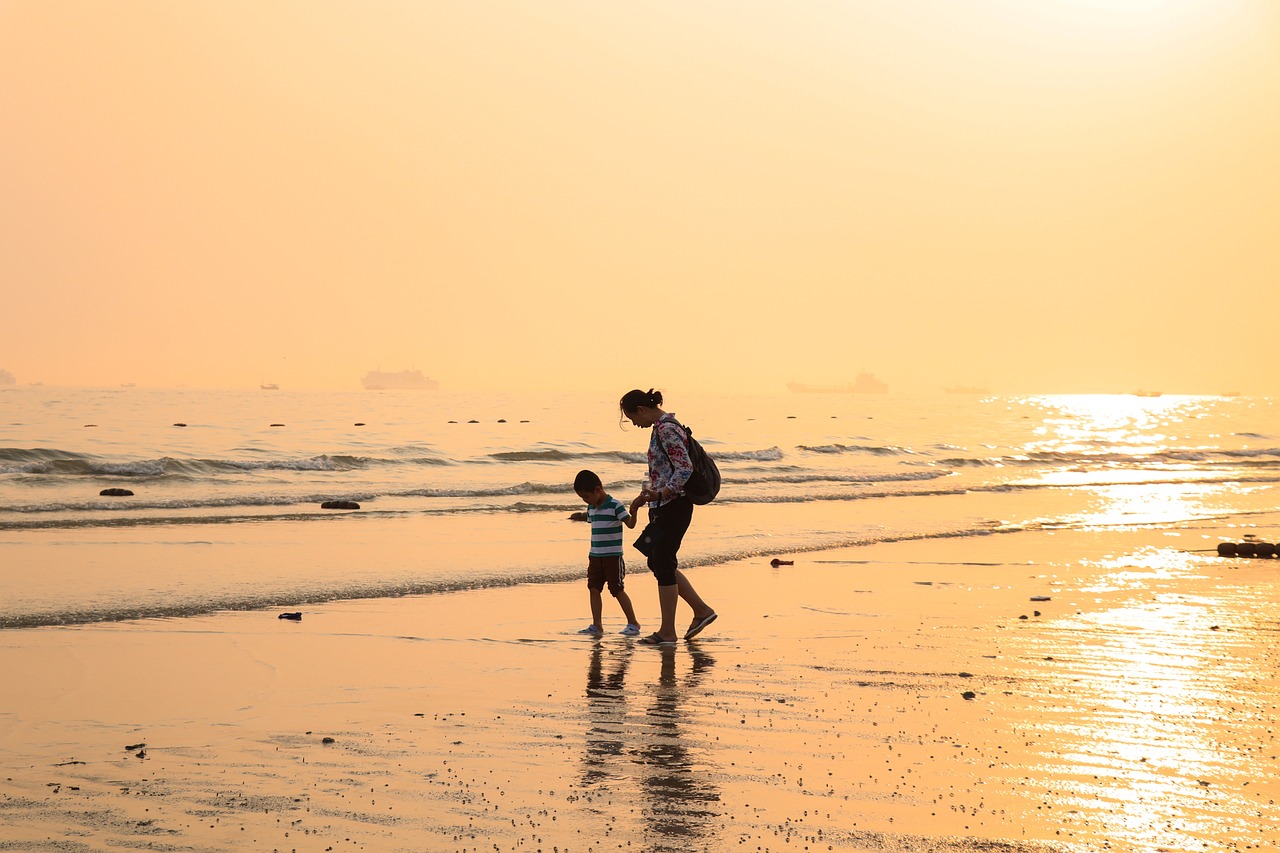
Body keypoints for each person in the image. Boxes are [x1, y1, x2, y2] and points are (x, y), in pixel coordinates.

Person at [619, 389, 718, 646]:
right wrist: (648, 496)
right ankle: (701, 610)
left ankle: (667, 632)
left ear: (641, 409)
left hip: (675, 505)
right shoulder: (662, 427)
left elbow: (685, 468)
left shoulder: (666, 429)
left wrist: (662, 492)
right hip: (665, 504)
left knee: (662, 562)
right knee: (657, 560)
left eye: (632, 418)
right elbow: (666, 468)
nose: (634, 424)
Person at [573, 469, 644, 636]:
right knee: (593, 588)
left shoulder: (615, 505)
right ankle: (597, 625)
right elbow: (589, 518)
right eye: (583, 498)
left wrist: (634, 512)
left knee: (617, 589)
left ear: (597, 490)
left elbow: (631, 524)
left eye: (586, 497)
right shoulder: (591, 507)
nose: (585, 500)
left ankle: (633, 623)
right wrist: (578, 516)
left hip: (613, 556)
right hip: (595, 556)